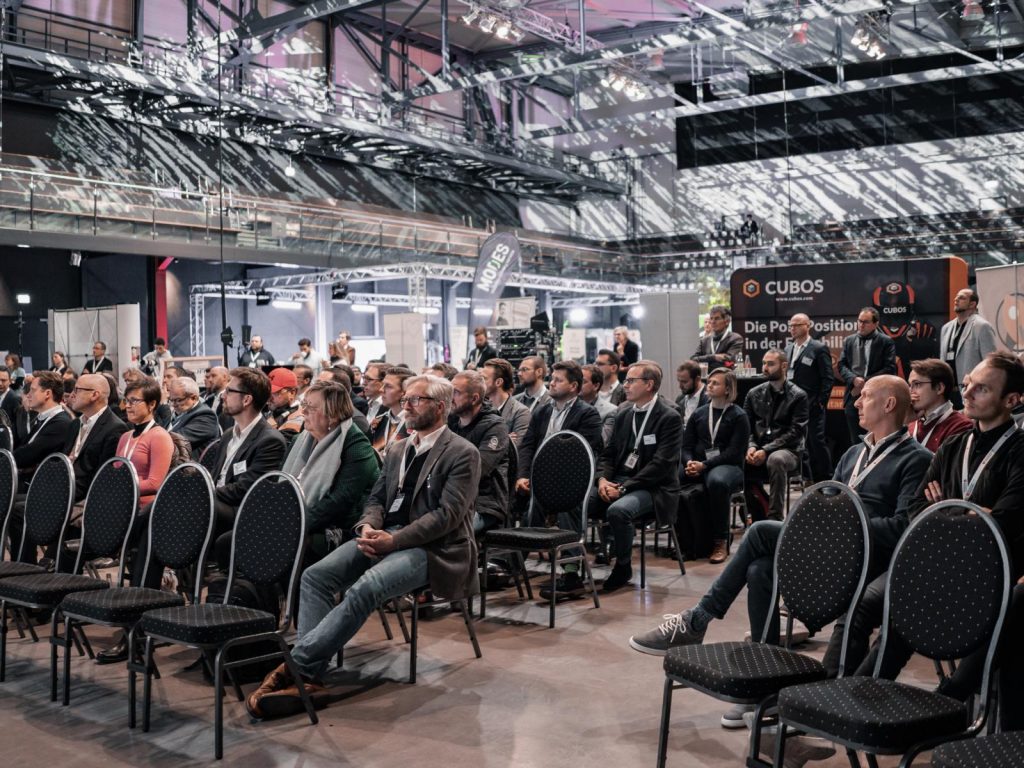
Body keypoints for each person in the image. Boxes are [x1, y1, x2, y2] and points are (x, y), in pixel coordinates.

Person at [632, 375, 930, 733]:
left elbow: (902, 528)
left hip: (861, 558)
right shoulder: (854, 454)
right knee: (759, 569)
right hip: (825, 549)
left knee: (759, 531)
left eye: (864, 396)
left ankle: (697, 621)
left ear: (889, 404)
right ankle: (761, 683)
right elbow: (824, 502)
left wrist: (845, 525)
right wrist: (825, 523)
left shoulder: (916, 459)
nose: (855, 403)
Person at [245, 375, 480, 720]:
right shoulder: (398, 448)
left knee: (365, 587)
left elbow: (447, 516)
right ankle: (309, 677)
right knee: (315, 577)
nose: (406, 406)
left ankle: (297, 666)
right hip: (383, 535)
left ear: (440, 407)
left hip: (433, 548)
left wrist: (393, 540)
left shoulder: (462, 452)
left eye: (416, 400)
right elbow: (376, 499)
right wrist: (368, 526)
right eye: (406, 400)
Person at [842, 353, 1024, 698]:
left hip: (992, 570)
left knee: (914, 604)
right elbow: (917, 509)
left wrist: (943, 509)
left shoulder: (1018, 451)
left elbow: (1004, 521)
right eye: (968, 384)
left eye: (982, 389)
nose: (967, 393)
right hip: (940, 564)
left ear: (1012, 400)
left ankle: (949, 699)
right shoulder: (955, 445)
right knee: (888, 612)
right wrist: (969, 513)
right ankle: (852, 695)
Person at [594, 361, 683, 593]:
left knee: (619, 511)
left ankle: (623, 566)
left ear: (649, 385)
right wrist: (602, 480)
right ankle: (572, 567)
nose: (625, 385)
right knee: (576, 501)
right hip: (618, 481)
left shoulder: (669, 417)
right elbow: (608, 454)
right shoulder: (623, 413)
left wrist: (624, 488)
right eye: (626, 381)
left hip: (654, 487)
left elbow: (661, 465)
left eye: (631, 381)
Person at [283, 381, 380, 563]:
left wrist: (293, 523)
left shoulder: (356, 446)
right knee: (239, 536)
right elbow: (282, 483)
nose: (303, 412)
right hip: (299, 518)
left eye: (311, 407)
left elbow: (339, 501)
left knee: (282, 543)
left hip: (337, 527)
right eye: (304, 405)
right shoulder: (300, 440)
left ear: (333, 415)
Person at [679, 368, 750, 564]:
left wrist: (704, 465)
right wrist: (689, 462)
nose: (709, 386)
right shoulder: (699, 413)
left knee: (717, 481)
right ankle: (686, 542)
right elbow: (686, 446)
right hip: (699, 463)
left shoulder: (739, 416)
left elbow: (734, 452)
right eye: (709, 382)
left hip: (729, 466)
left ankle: (720, 541)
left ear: (728, 389)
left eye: (715, 383)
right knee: (674, 478)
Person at [207, 368, 288, 537]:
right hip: (216, 502)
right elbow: (216, 476)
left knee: (193, 504)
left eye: (229, 391)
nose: (223, 396)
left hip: (242, 512)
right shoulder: (228, 435)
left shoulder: (270, 441)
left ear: (246, 400)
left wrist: (204, 492)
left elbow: (246, 489)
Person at [515, 360, 603, 506]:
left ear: (573, 386)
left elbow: (579, 455)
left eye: (558, 380)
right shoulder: (541, 412)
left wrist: (545, 478)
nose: (551, 383)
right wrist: (523, 476)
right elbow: (527, 446)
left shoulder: (588, 414)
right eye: (552, 378)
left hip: (568, 481)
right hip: (536, 476)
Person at [742, 348, 808, 523]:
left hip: (789, 450)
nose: (765, 367)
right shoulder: (753, 393)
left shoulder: (798, 395)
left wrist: (765, 450)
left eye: (770, 364)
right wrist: (751, 446)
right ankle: (756, 511)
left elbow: (795, 432)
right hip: (758, 448)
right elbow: (746, 427)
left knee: (775, 459)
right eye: (764, 363)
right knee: (735, 460)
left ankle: (775, 519)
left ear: (784, 366)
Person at [449, 371, 510, 534]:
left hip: (484, 504)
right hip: (452, 498)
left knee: (443, 532)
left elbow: (477, 470)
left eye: (456, 393)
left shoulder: (495, 426)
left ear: (474, 398)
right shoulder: (450, 421)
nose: (450, 397)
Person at [784, 313, 835, 482]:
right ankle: (806, 477)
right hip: (793, 405)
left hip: (812, 405)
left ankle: (826, 479)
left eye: (797, 325)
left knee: (816, 442)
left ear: (808, 325)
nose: (793, 328)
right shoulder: (788, 349)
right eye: (791, 325)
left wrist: (821, 402)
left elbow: (828, 378)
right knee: (799, 443)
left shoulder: (818, 348)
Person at [65, 373, 129, 502]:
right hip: (63, 484)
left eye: (77, 390)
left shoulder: (115, 428)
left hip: (84, 496)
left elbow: (101, 476)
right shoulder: (75, 424)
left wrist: (60, 492)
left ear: (94, 395)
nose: (72, 395)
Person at [838, 306, 897, 443]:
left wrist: (865, 382)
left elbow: (889, 368)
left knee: (876, 438)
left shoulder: (886, 341)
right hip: (853, 395)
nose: (861, 325)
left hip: (877, 396)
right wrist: (853, 379)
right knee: (855, 440)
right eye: (859, 321)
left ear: (876, 324)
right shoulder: (849, 340)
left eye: (865, 322)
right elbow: (841, 365)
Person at [115, 377, 175, 506]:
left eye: (134, 401)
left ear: (151, 404)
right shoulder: (125, 436)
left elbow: (154, 484)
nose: (128, 406)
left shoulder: (159, 436)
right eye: (126, 400)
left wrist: (121, 488)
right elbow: (116, 473)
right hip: (121, 502)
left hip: (143, 507)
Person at [940, 288, 998, 408]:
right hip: (948, 391)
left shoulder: (982, 326)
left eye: (961, 298)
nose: (956, 300)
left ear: (972, 304)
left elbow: (991, 363)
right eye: (956, 297)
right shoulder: (946, 328)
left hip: (972, 391)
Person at [13, 371, 73, 485]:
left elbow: (29, 454)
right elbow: (24, 448)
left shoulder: (60, 423)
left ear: (47, 394)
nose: (28, 395)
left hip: (38, 485)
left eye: (33, 390)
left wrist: (7, 460)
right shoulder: (43, 418)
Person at [906, 358, 972, 452]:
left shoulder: (961, 426)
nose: (910, 391)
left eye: (917, 384)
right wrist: (905, 425)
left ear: (939, 388)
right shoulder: (910, 424)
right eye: (909, 385)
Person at [167, 376, 221, 457]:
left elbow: (176, 439)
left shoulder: (206, 416)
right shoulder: (186, 412)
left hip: (188, 463)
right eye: (171, 400)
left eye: (178, 400)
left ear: (193, 398)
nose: (174, 405)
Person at [481, 357, 530, 447]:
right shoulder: (480, 408)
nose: (480, 383)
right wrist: (504, 438)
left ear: (498, 382)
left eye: (484, 379)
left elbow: (514, 448)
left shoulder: (520, 412)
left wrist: (487, 440)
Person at [317, 368, 373, 439]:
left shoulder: (356, 422)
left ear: (338, 390)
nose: (313, 388)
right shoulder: (318, 413)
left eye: (320, 384)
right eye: (316, 383)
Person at [369, 367, 414, 456]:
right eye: (383, 385)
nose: (381, 390)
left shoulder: (416, 423)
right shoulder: (378, 421)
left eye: (388, 386)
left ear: (405, 392)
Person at [580, 363, 617, 444]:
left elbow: (602, 441)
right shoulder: (569, 406)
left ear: (596, 386)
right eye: (577, 380)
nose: (578, 385)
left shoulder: (610, 411)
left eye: (583, 381)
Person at [267, 368, 303, 435]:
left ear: (292, 393)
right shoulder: (274, 409)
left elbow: (275, 441)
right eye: (267, 392)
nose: (269, 398)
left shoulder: (297, 418)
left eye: (275, 393)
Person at [675, 360, 708, 429]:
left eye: (684, 382)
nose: (680, 386)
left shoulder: (709, 399)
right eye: (679, 381)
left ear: (697, 379)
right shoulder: (679, 399)